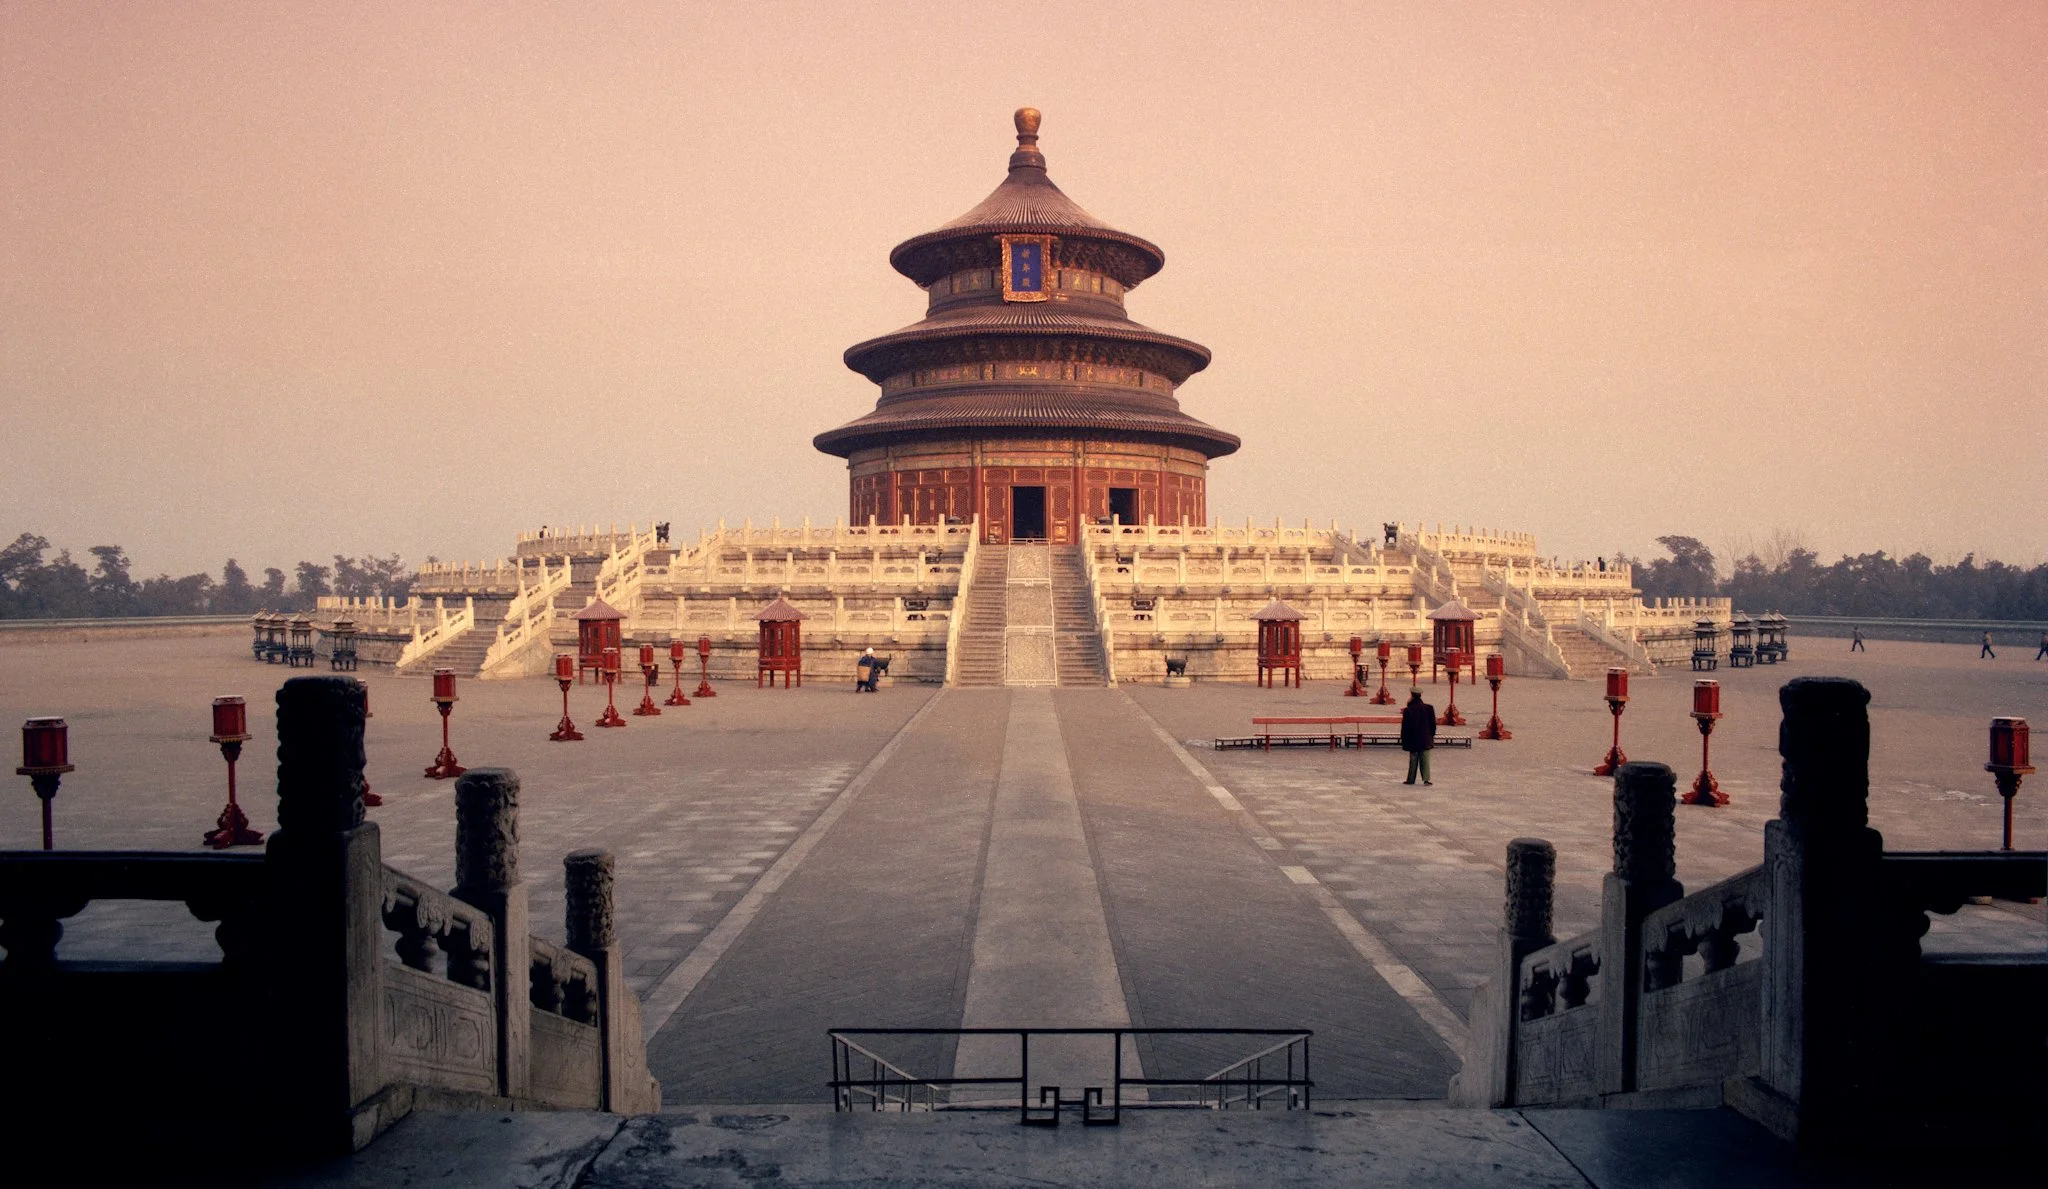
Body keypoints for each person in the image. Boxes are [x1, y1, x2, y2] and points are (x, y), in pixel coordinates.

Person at [1400, 689, 1437, 786]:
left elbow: (1405, 727)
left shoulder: (1408, 710)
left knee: (1413, 759)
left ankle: (1411, 779)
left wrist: (1404, 739)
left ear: (1412, 696)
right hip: (1425, 738)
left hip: (1413, 738)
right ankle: (1426, 779)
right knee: (1425, 759)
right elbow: (1433, 724)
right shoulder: (1429, 708)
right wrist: (1431, 735)